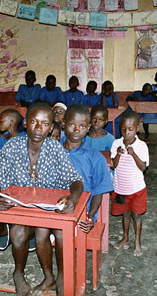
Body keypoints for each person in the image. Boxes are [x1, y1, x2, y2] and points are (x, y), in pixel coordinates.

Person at [0, 103, 83, 296]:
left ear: (51, 127)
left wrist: (73, 197)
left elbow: (75, 180)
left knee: (21, 233)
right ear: (25, 123)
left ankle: (38, 275)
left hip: (42, 213)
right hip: (17, 211)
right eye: (34, 122)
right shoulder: (13, 146)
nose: (38, 129)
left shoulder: (55, 149)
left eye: (45, 124)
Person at [34, 104, 113, 295]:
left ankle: (63, 276)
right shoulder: (52, 151)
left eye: (82, 126)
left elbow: (99, 192)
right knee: (39, 231)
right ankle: (48, 276)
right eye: (71, 125)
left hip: (80, 213)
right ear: (63, 123)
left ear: (88, 127)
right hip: (53, 208)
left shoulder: (95, 157)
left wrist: (90, 216)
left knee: (62, 234)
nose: (76, 130)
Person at [111, 111, 149, 257]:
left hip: (137, 189)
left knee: (137, 216)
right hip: (120, 188)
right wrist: (119, 155)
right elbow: (114, 165)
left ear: (137, 129)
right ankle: (125, 238)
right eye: (123, 129)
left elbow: (143, 167)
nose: (126, 133)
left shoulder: (141, 146)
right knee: (125, 214)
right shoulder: (116, 143)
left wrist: (133, 154)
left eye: (130, 129)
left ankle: (137, 243)